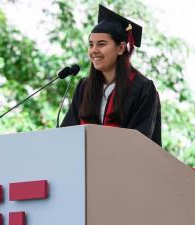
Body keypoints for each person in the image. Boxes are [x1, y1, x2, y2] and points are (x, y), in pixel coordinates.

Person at [61, 5, 162, 146]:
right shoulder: (84, 87)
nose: (93, 51)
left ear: (120, 48)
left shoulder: (142, 88)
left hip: (124, 165)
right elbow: (67, 133)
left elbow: (141, 141)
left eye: (101, 44)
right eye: (91, 45)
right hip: (83, 165)